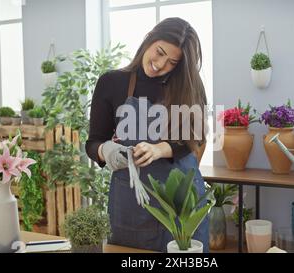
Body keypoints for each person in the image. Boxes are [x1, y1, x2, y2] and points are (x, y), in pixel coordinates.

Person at [85, 17, 208, 252]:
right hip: (132, 203)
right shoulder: (111, 82)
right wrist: (105, 150)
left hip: (180, 200)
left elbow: (195, 137)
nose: (161, 65)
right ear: (149, 39)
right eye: (159, 52)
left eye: (172, 62)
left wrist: (157, 149)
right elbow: (93, 142)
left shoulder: (188, 84)